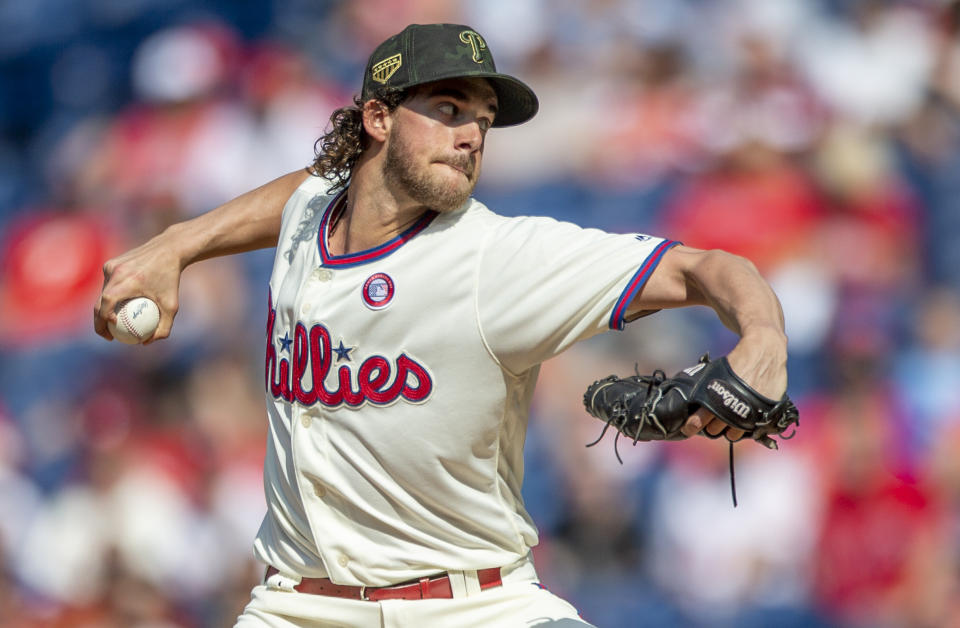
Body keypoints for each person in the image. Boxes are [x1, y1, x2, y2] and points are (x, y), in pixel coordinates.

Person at [94, 23, 788, 628]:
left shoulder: (497, 258)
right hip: (300, 606)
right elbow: (308, 191)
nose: (470, 136)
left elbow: (706, 269)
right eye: (448, 108)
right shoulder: (312, 215)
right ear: (378, 119)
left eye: (483, 120)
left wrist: (763, 340)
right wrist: (174, 245)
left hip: (475, 605)